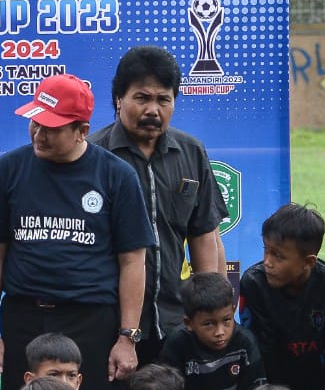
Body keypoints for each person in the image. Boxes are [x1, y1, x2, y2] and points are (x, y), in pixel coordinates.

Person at [0, 72, 152, 390]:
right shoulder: (9, 169)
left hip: (92, 320)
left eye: (52, 128)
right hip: (24, 316)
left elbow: (132, 261)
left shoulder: (116, 176)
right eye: (35, 123)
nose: (39, 134)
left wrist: (127, 337)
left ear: (82, 130)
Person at [87, 46, 229, 356]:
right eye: (142, 98)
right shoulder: (92, 156)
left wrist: (208, 311)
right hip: (107, 319)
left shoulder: (191, 152)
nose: (153, 109)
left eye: (163, 100)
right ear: (118, 99)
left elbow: (205, 235)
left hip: (174, 318)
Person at [238, 203, 325, 390]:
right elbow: (259, 347)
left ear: (309, 262)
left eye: (278, 256)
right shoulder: (254, 283)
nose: (267, 262)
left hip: (322, 377)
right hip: (273, 376)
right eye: (266, 250)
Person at [159, 271, 266, 390]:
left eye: (226, 321)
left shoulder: (245, 343)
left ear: (233, 311)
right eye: (209, 324)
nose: (220, 332)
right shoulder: (177, 344)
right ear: (189, 322)